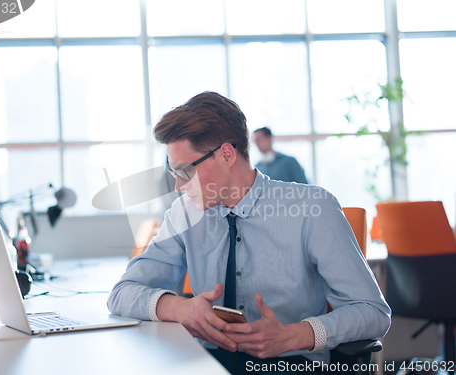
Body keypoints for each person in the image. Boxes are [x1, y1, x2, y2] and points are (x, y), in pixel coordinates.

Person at [107, 92, 390, 374]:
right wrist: (180, 309)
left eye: (185, 171)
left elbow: (373, 311)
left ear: (226, 154)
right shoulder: (184, 214)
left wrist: (296, 335)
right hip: (207, 361)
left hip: (290, 363)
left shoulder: (311, 208)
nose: (179, 186)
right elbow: (122, 293)